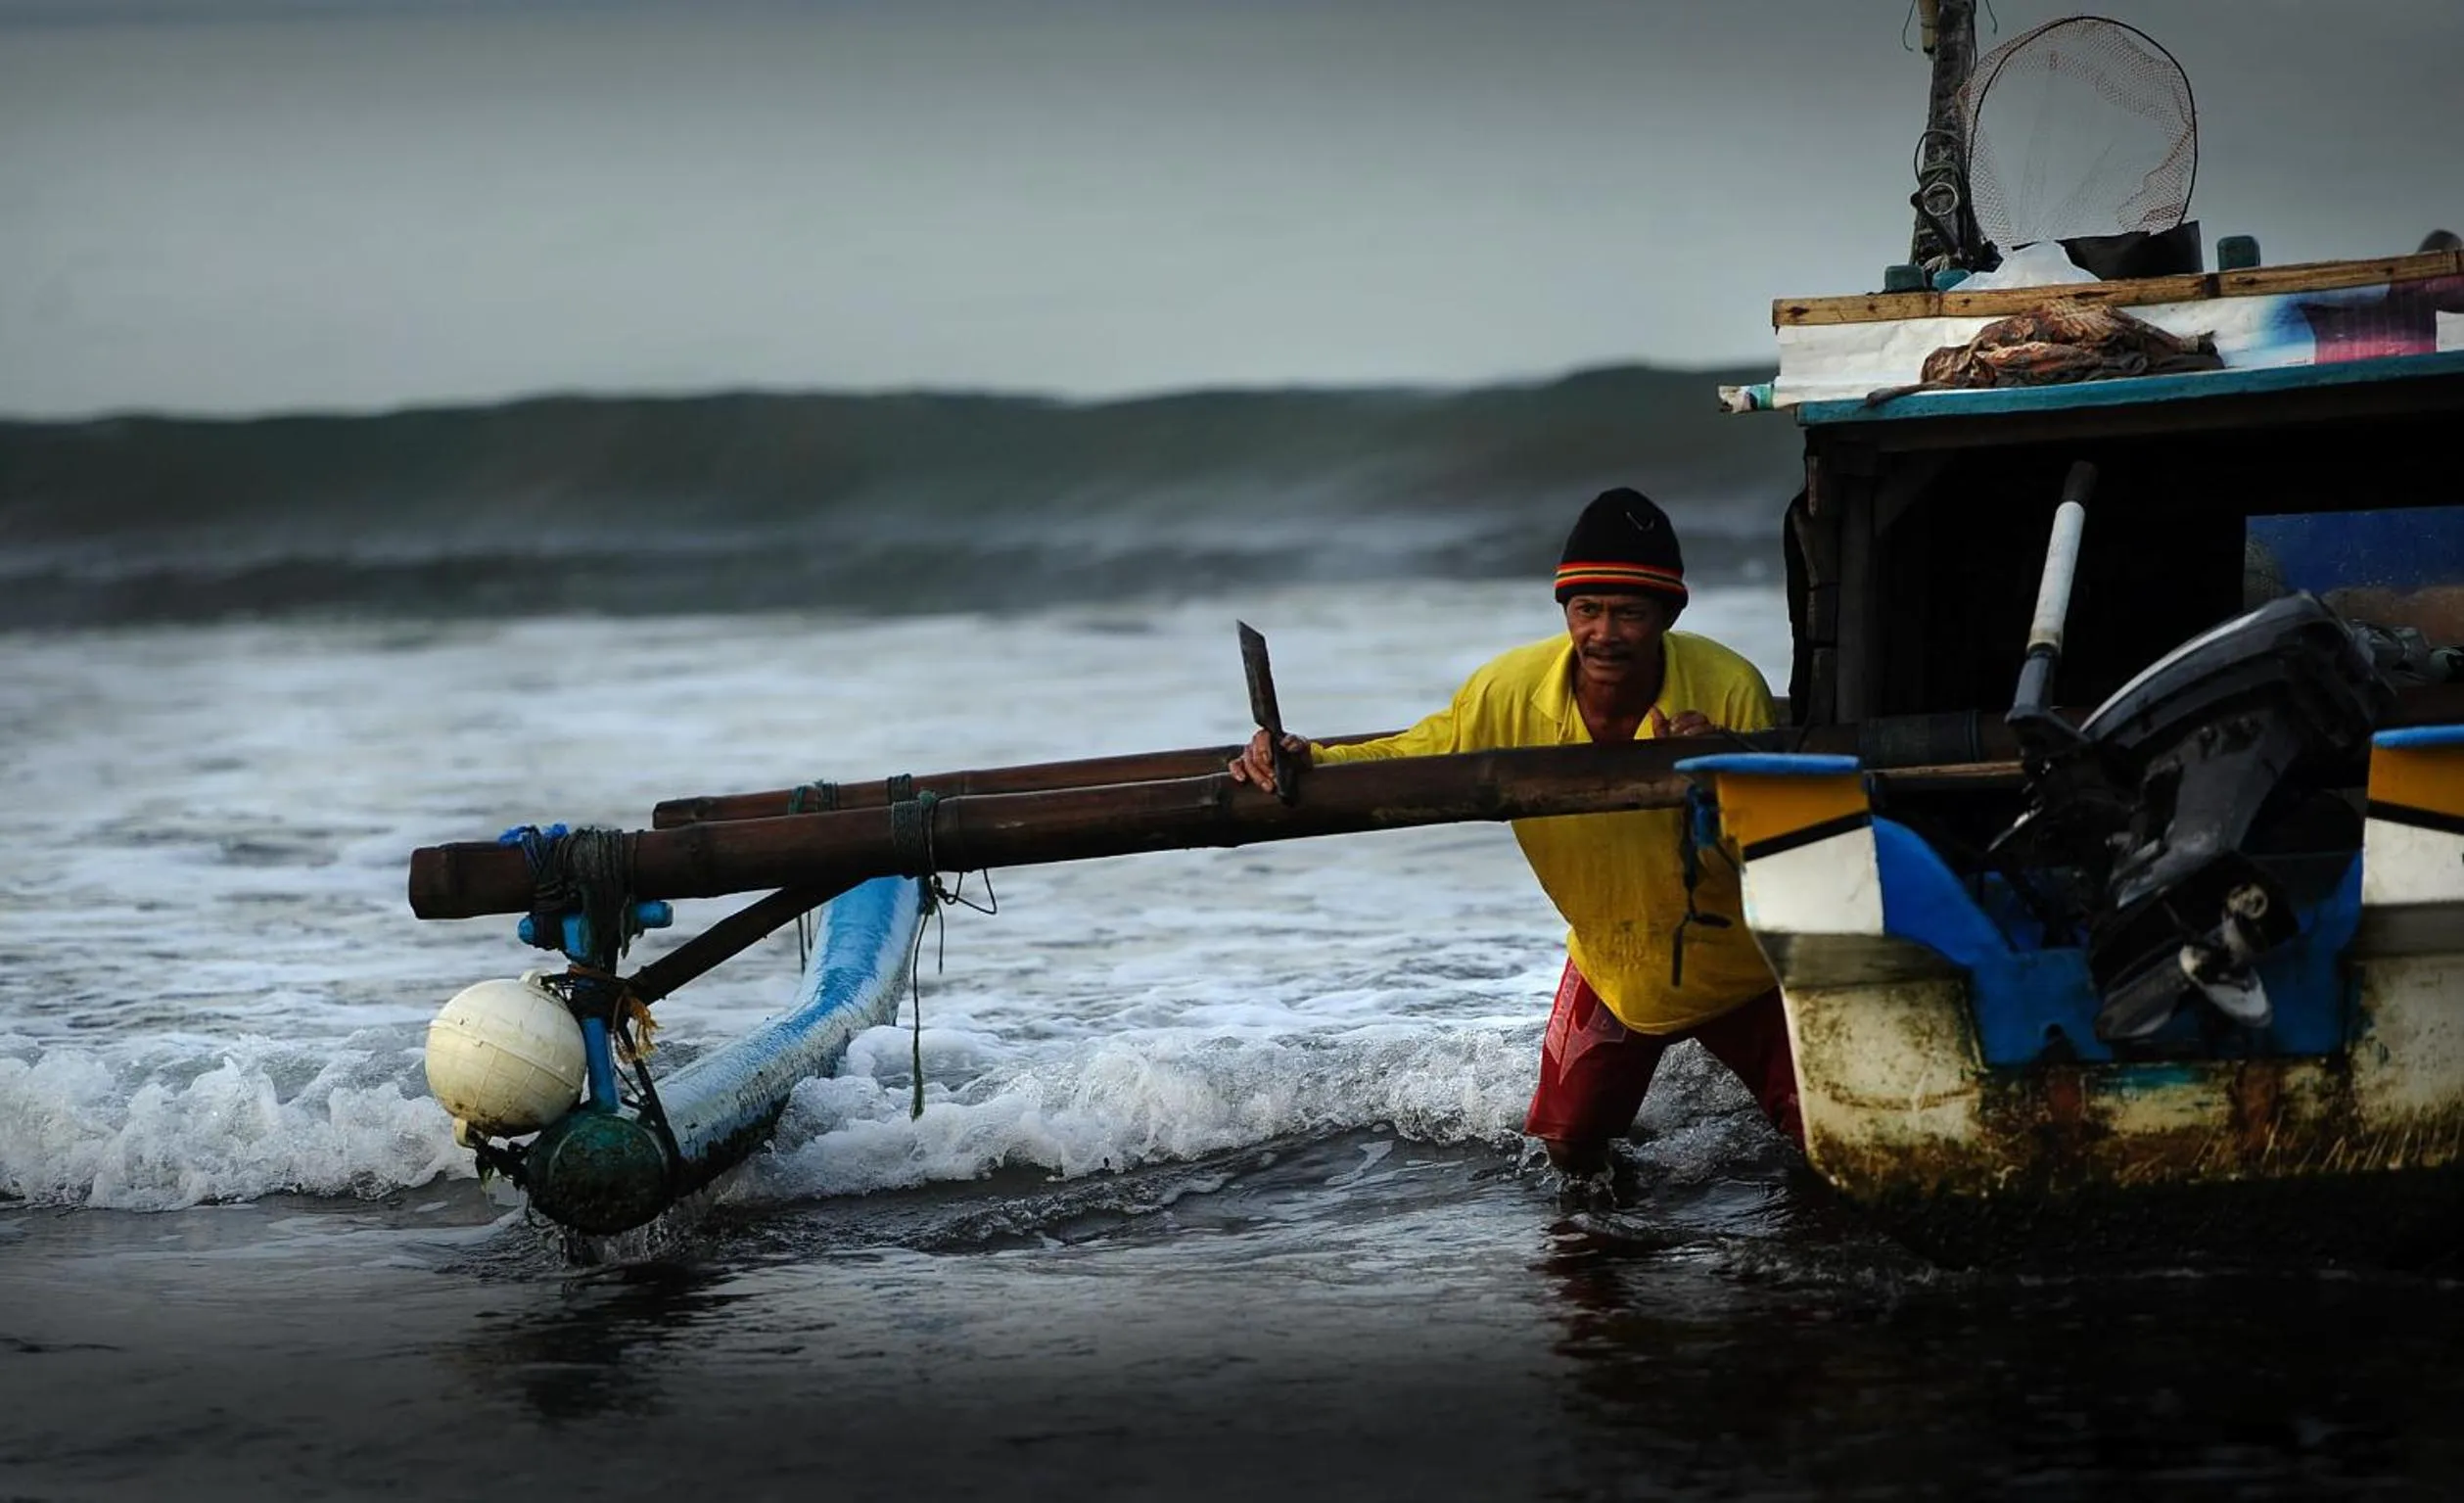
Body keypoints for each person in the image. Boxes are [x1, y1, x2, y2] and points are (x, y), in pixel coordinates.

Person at [1229, 487, 1803, 1183]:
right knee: (1568, 1148)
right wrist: (1307, 759)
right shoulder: (1507, 689)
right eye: (1586, 610)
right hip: (1614, 963)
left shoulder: (1727, 686)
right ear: (1564, 610)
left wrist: (1725, 762)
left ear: (1667, 616)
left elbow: (1778, 842)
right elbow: (1415, 756)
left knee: (1827, 1140)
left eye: (1629, 613)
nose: (1604, 633)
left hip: (1742, 966)